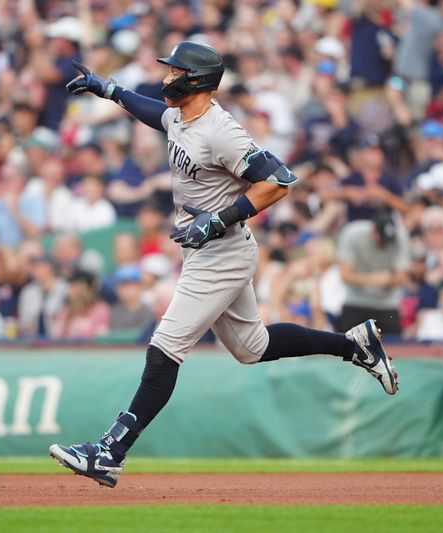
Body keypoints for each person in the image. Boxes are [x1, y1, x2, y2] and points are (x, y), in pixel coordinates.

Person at [49, 41, 399, 488]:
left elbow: (280, 179)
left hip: (222, 252)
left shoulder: (222, 131)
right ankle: (354, 346)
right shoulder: (181, 114)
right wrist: (111, 90)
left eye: (175, 72)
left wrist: (218, 219)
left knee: (166, 347)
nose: (167, 77)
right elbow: (158, 115)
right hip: (210, 249)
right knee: (252, 347)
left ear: (196, 80)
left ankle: (109, 452)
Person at [337, 212, 410, 334]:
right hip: (356, 301)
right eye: (381, 239)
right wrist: (370, 280)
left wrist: (387, 280)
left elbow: (402, 276)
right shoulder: (352, 234)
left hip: (388, 304)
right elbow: (344, 274)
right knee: (348, 347)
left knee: (392, 349)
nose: (384, 244)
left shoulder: (401, 237)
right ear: (373, 231)